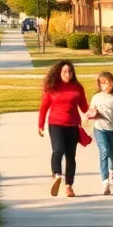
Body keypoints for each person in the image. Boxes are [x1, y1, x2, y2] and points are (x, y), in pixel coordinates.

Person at [37, 60, 87, 198]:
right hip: (56, 124)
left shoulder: (77, 87)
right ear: (59, 73)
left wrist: (94, 113)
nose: (68, 74)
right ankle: (57, 175)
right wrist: (40, 125)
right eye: (65, 71)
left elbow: (84, 107)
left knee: (71, 156)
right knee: (58, 150)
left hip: (73, 126)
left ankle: (69, 187)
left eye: (70, 71)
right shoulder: (52, 87)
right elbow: (43, 108)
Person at [86, 71, 113, 195]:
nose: (105, 85)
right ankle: (105, 183)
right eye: (102, 82)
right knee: (104, 151)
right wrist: (91, 114)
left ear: (112, 82)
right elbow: (91, 111)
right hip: (100, 129)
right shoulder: (96, 97)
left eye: (107, 82)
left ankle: (112, 170)